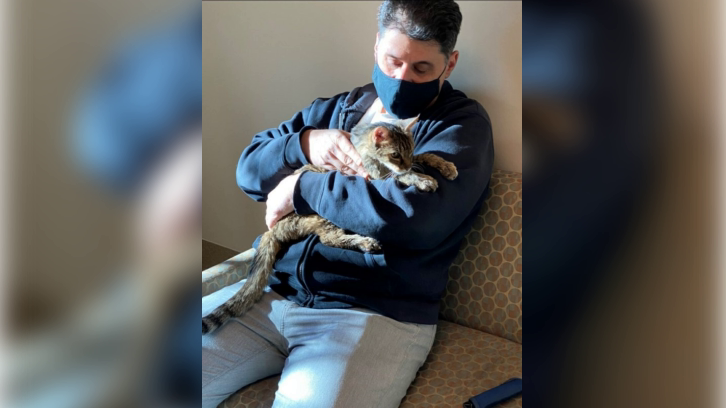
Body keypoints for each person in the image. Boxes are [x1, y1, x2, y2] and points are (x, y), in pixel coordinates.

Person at [202, 1, 493, 407]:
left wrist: (300, 188)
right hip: (271, 290)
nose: (401, 78)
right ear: (376, 46)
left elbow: (414, 217)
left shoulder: (461, 127)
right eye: (392, 61)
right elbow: (249, 171)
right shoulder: (336, 110)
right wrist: (303, 144)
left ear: (450, 63)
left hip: (369, 313)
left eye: (421, 69)